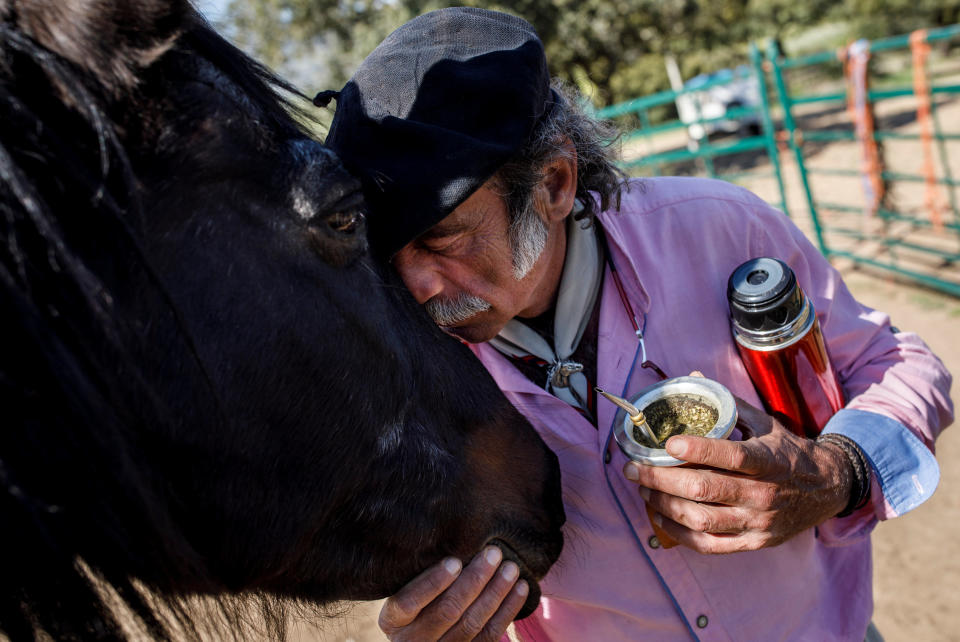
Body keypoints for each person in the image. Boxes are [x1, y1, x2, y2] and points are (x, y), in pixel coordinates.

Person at [321, 7, 953, 640]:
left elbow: (898, 364)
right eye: (387, 253)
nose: (416, 286)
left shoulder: (719, 230)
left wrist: (838, 473)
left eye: (443, 236)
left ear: (554, 182)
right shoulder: (397, 371)